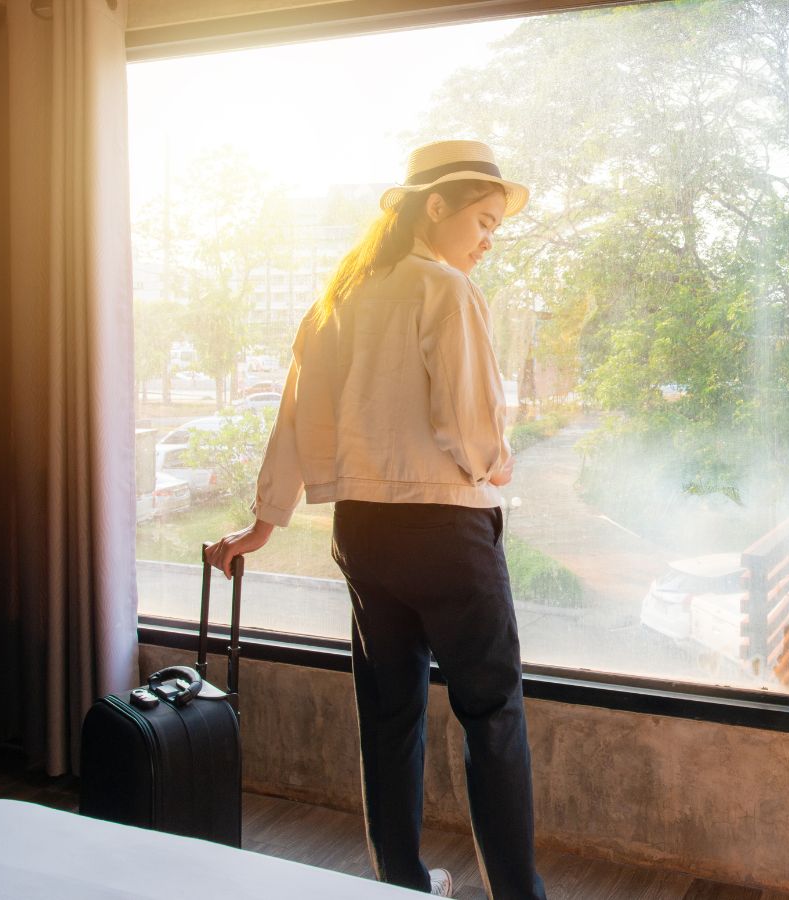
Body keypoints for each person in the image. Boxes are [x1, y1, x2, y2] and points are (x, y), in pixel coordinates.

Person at [203, 140, 547, 900]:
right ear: (436, 206)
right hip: (445, 533)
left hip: (362, 533)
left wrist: (262, 524)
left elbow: (293, 420)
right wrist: (496, 459)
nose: (488, 238)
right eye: (484, 220)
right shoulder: (445, 289)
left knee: (389, 715)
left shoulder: (340, 296)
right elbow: (468, 425)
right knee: (491, 716)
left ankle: (400, 884)